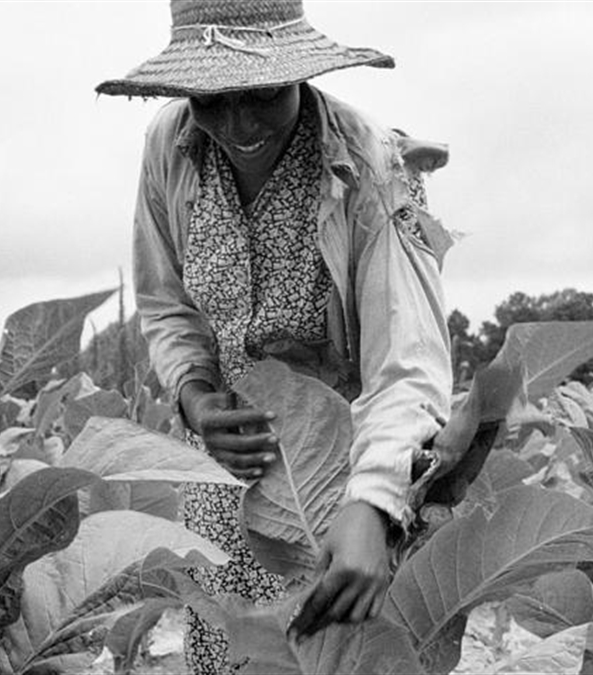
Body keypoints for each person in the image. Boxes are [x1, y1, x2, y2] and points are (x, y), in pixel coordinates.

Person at [96, 1, 453, 672]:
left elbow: (406, 362)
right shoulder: (169, 147)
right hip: (223, 495)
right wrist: (197, 398)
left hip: (340, 498)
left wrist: (373, 504)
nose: (239, 125)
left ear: (299, 75)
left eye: (262, 93)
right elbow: (166, 304)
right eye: (211, 98)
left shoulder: (369, 166)